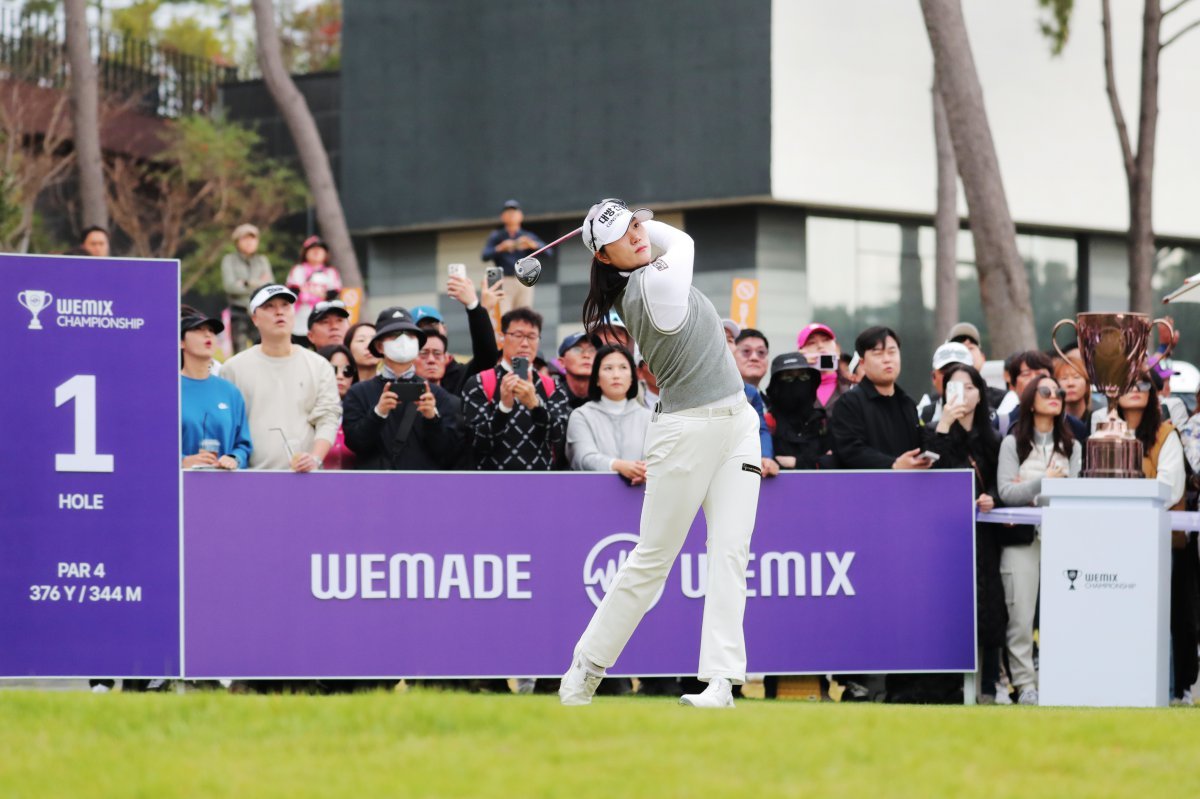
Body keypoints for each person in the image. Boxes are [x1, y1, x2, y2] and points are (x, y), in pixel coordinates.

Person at [558, 198, 761, 709]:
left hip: (738, 423)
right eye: (621, 236)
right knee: (652, 560)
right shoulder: (652, 285)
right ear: (604, 259)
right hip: (684, 432)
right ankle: (584, 670)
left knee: (731, 552)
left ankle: (720, 682)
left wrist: (626, 222)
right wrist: (645, 220)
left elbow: (656, 242)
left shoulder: (645, 268)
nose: (636, 236)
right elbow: (684, 241)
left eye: (633, 226)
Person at [923, 363, 1006, 704]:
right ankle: (950, 686)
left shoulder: (994, 438)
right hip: (946, 537)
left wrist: (994, 500)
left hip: (985, 536)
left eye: (969, 387)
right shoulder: (935, 430)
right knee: (951, 607)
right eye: (954, 386)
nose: (963, 393)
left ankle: (989, 686)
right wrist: (944, 422)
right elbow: (930, 473)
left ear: (980, 392)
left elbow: (1005, 484)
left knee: (990, 607)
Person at [997, 374, 1081, 706]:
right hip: (1020, 541)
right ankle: (1025, 685)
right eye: (1046, 391)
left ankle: (1055, 681)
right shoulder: (1011, 443)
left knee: (1061, 617)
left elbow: (1074, 494)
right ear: (1031, 400)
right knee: (1019, 618)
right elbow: (1006, 492)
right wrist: (1045, 482)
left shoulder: (1073, 445)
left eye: (1059, 392)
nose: (1055, 396)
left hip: (1062, 542)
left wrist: (1029, 485)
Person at [1114, 371, 1196, 704]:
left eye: (1144, 384)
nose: (1136, 390)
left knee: (1169, 618)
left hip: (1161, 544)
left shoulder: (1166, 434)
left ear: (1154, 392)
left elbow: (1170, 488)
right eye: (1128, 384)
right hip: (1112, 544)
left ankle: (1173, 691)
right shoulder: (1102, 431)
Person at [219, 284, 342, 471]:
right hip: (249, 477)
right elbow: (227, 426)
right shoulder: (232, 369)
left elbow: (328, 418)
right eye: (269, 306)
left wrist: (315, 458)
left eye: (285, 305)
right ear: (254, 318)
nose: (279, 312)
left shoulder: (319, 365)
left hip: (305, 477)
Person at [342, 308, 462, 471]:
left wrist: (432, 418)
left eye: (410, 335)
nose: (404, 340)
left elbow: (449, 452)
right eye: (395, 335)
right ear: (379, 346)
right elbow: (355, 443)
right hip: (375, 487)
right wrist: (378, 413)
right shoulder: (358, 393)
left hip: (423, 487)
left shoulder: (437, 394)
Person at [462, 307, 568, 471]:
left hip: (540, 484)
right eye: (518, 335)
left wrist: (535, 405)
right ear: (503, 337)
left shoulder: (552, 386)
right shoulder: (479, 383)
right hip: (491, 485)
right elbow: (477, 443)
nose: (525, 343)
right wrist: (503, 408)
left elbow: (558, 437)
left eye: (532, 336)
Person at [829, 326, 931, 472]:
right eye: (878, 353)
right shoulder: (849, 403)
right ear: (862, 363)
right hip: (865, 490)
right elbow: (850, 450)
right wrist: (893, 465)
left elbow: (919, 446)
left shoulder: (908, 403)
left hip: (908, 490)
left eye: (892, 352)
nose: (887, 359)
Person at [566, 345, 651, 481]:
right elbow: (583, 458)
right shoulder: (581, 416)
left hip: (640, 495)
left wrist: (645, 471)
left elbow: (658, 459)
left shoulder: (648, 417)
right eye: (608, 368)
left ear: (632, 377)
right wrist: (618, 466)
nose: (616, 375)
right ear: (597, 379)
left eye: (623, 368)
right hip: (594, 495)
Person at [181, 312, 252, 471]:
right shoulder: (168, 390)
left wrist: (234, 458)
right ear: (181, 342)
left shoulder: (230, 391)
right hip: (177, 487)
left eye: (212, 331)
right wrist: (183, 460)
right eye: (198, 329)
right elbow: (153, 444)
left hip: (223, 486)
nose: (208, 334)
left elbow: (243, 445)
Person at [413, 275, 503, 396]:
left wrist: (474, 306)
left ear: (444, 329)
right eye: (421, 329)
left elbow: (487, 357)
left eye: (432, 326)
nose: (429, 333)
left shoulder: (462, 375)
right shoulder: (401, 377)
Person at [764, 353, 831, 470]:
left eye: (803, 376)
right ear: (776, 386)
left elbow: (836, 460)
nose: (797, 383)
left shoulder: (822, 422)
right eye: (788, 377)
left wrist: (798, 463)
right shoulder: (767, 423)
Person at [481, 199, 547, 313]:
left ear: (521, 216)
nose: (511, 215)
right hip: (504, 279)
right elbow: (485, 255)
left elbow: (548, 252)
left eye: (514, 212)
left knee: (524, 314)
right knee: (503, 315)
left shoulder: (527, 235)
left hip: (524, 279)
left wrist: (531, 245)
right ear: (502, 216)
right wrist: (501, 248)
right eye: (508, 213)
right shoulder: (497, 236)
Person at [220, 223, 274, 353]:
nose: (249, 242)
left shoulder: (262, 260)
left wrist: (245, 283)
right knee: (240, 352)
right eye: (245, 239)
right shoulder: (229, 260)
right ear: (237, 241)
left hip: (260, 311)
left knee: (263, 350)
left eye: (253, 238)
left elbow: (269, 286)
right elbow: (230, 287)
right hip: (239, 312)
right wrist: (257, 283)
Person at [286, 235, 343, 337]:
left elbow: (334, 294)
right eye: (312, 249)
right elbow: (292, 293)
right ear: (305, 252)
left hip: (323, 317)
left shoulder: (331, 272)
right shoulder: (298, 270)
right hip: (299, 319)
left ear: (325, 254)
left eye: (320, 249)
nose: (316, 252)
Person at [317, 344, 358, 470]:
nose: (340, 376)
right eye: (332, 369)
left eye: (347, 371)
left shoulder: (363, 414)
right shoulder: (303, 412)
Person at [916, 341, 974, 426]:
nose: (952, 377)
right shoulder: (923, 415)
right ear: (934, 378)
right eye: (945, 372)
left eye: (960, 370)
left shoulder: (989, 415)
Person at [797, 323, 847, 409]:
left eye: (826, 340)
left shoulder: (852, 387)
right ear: (800, 352)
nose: (820, 346)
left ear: (837, 349)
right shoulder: (794, 390)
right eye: (811, 343)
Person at [1052, 350, 1091, 443]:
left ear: (1087, 384)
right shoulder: (1052, 423)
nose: (1070, 384)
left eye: (1076, 377)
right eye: (1064, 378)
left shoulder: (1096, 419)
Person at [558, 332, 597, 410]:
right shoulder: (552, 396)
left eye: (592, 350)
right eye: (577, 350)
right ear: (561, 362)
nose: (586, 355)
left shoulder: (607, 396)